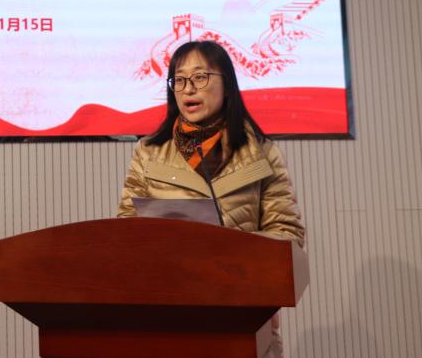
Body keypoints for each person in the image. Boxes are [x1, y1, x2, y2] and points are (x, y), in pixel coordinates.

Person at [117, 40, 305, 358]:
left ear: (227, 84)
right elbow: (125, 233)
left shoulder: (262, 152)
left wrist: (228, 253)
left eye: (200, 77)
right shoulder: (148, 152)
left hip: (241, 315)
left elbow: (288, 236)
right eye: (179, 79)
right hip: (168, 315)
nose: (188, 88)